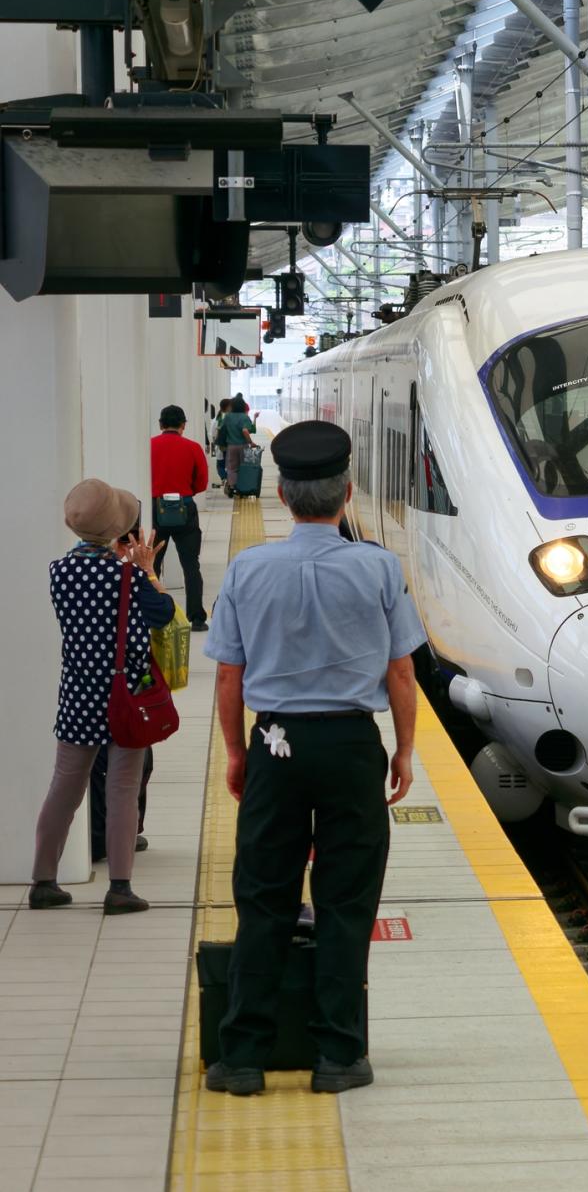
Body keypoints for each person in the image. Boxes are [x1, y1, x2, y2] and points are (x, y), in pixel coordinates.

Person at [204, 421, 424, 1097]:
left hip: (276, 744)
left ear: (279, 491)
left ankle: (240, 1058)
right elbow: (401, 676)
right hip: (350, 746)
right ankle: (337, 1057)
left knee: (264, 900)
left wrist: (240, 754)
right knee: (345, 902)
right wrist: (405, 751)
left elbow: (228, 679)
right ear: (346, 493)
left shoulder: (248, 567)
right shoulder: (379, 567)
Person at [30, 481, 175, 915]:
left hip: (77, 693)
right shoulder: (127, 575)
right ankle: (120, 887)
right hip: (125, 696)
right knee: (123, 789)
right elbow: (164, 614)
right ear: (116, 527)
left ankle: (43, 881)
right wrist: (145, 570)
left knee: (64, 787)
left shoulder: (59, 570)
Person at [151, 404, 211, 632]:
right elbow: (202, 482)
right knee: (190, 565)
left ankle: (154, 615)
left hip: (157, 510)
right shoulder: (193, 447)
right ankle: (196, 617)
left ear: (160, 425)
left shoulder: (149, 446)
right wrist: (185, 493)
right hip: (185, 507)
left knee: (152, 565)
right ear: (183, 426)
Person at [221, 395, 255, 498]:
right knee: (244, 468)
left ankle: (232, 487)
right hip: (244, 446)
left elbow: (222, 429)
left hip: (231, 446)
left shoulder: (228, 416)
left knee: (232, 468)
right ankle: (243, 488)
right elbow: (245, 430)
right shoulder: (244, 417)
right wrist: (251, 442)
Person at [213, 398, 232, 482]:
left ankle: (225, 479)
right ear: (228, 407)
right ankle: (229, 480)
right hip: (230, 445)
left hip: (221, 446)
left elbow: (213, 433)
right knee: (229, 465)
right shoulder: (230, 418)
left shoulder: (217, 419)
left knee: (220, 465)